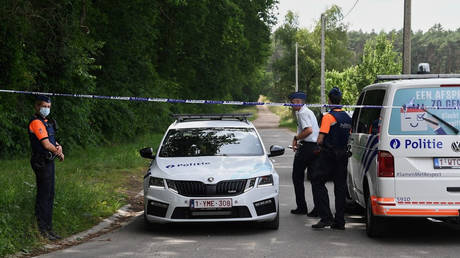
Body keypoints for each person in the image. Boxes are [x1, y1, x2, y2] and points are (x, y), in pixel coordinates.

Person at [311, 87, 351, 230]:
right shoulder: (347, 117)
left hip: (329, 156)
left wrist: (316, 144)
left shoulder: (328, 117)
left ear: (329, 100)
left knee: (317, 181)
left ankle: (326, 217)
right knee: (340, 188)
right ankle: (340, 221)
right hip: (343, 156)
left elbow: (321, 139)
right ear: (340, 100)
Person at [28, 95, 64, 240]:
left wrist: (58, 147)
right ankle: (41, 229)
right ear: (37, 107)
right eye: (44, 106)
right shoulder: (36, 123)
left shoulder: (47, 122)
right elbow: (45, 144)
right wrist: (58, 151)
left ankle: (48, 228)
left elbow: (52, 141)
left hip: (49, 161)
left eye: (48, 107)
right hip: (41, 162)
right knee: (43, 195)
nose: (46, 109)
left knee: (49, 195)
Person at [288, 91, 320, 216]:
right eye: (291, 102)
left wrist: (296, 138)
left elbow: (309, 130)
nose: (291, 105)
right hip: (314, 147)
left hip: (307, 148)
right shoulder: (309, 111)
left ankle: (302, 207)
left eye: (293, 102)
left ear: (299, 102)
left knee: (297, 177)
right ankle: (318, 208)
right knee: (314, 179)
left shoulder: (302, 113)